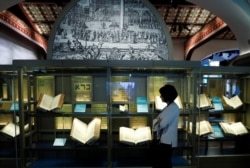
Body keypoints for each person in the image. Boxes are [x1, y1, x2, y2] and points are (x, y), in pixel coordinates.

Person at [152, 84, 180, 168]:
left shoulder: (173, 108)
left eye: (162, 94)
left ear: (167, 95)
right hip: (164, 140)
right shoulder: (168, 107)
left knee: (164, 163)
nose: (160, 96)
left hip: (168, 141)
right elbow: (156, 120)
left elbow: (162, 124)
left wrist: (158, 121)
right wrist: (158, 121)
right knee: (162, 163)